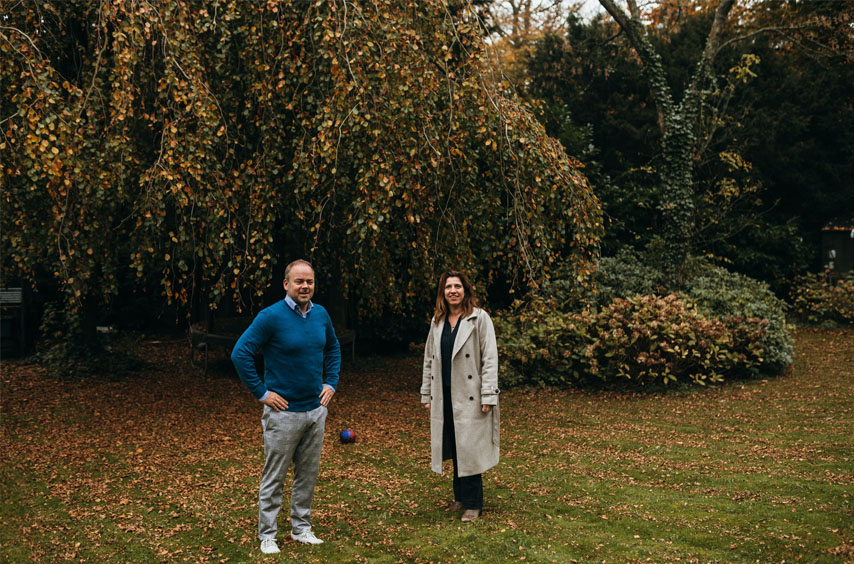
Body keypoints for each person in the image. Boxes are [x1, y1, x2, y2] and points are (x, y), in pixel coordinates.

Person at [231, 259, 341, 554]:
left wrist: (331, 382)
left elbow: (332, 347)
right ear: (286, 284)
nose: (305, 286)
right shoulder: (270, 317)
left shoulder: (321, 315)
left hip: (315, 412)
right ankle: (267, 534)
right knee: (275, 476)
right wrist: (262, 393)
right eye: (299, 281)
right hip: (283, 414)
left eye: (310, 282)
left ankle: (301, 528)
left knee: (307, 474)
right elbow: (240, 354)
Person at [420, 270, 499, 522]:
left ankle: (474, 503)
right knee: (454, 446)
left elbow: (490, 358)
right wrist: (427, 394)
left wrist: (489, 393)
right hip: (445, 396)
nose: (452, 291)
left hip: (471, 396)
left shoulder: (479, 318)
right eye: (448, 287)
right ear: (442, 292)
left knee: (470, 447)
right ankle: (460, 498)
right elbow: (429, 360)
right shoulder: (438, 320)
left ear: (465, 290)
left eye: (457, 286)